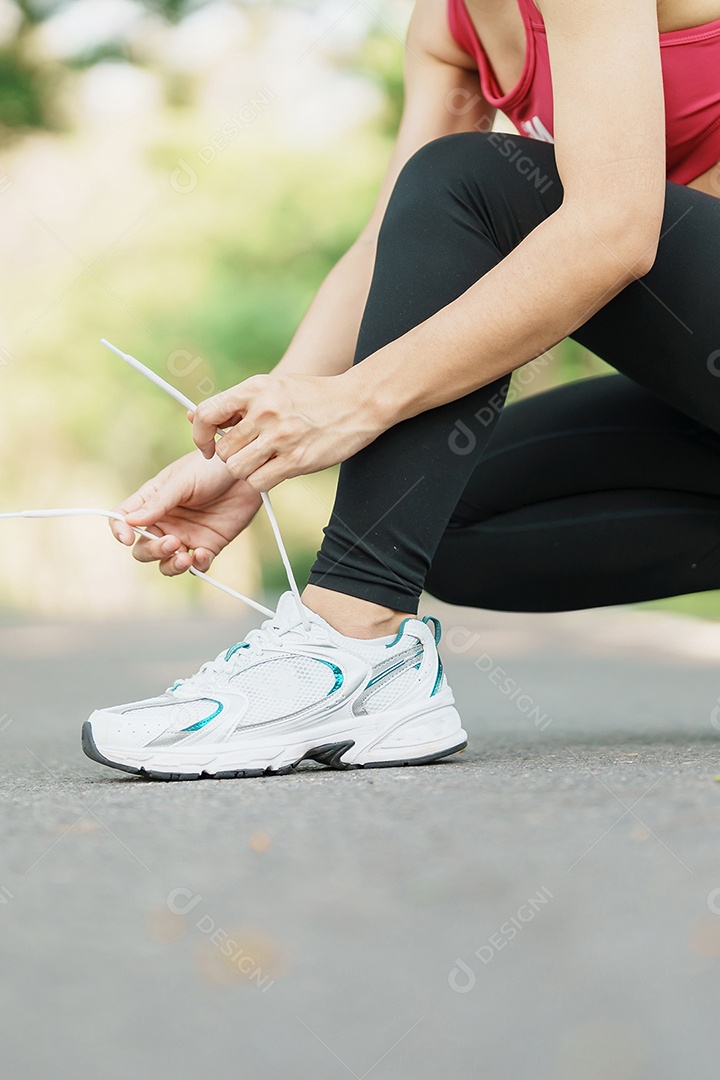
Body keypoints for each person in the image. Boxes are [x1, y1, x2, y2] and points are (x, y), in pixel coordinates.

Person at [82, 0, 720, 779]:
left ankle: (348, 644)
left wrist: (356, 402)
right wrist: (247, 461)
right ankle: (366, 639)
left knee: (471, 177)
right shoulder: (448, 25)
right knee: (437, 515)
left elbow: (614, 228)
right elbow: (403, 234)